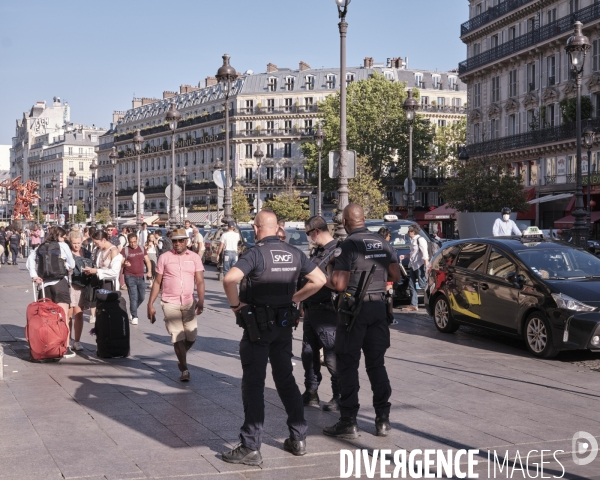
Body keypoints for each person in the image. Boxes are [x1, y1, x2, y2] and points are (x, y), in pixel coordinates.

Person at [221, 210, 326, 465]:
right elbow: (320, 279)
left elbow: (229, 278)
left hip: (257, 327)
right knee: (285, 380)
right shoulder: (293, 252)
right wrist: (296, 298)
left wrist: (236, 307)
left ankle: (250, 446)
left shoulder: (255, 253)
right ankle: (298, 438)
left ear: (258, 228)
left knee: (254, 384)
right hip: (283, 326)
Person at [324, 204, 400, 439]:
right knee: (376, 365)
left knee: (348, 365)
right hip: (378, 309)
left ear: (345, 222)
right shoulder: (382, 242)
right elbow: (395, 275)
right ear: (364, 219)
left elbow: (338, 284)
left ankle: (349, 421)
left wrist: (326, 274)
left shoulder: (349, 245)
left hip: (353, 312)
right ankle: (383, 420)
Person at [147, 228, 205, 382]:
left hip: (188, 302)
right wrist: (150, 304)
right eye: (174, 241)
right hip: (169, 302)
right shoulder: (164, 257)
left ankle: (181, 355)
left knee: (191, 336)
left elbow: (199, 281)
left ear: (186, 241)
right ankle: (184, 369)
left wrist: (201, 300)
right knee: (177, 335)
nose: (177, 243)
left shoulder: (194, 257)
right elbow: (157, 282)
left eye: (181, 240)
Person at [301, 215, 340, 411]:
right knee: (308, 353)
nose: (308, 237)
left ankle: (339, 395)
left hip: (327, 311)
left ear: (316, 231)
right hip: (311, 309)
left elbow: (334, 282)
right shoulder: (318, 252)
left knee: (332, 355)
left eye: (308, 233)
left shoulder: (337, 251)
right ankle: (311, 392)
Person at [26, 226, 77, 358]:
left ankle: (47, 345)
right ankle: (65, 347)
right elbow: (72, 264)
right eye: (63, 236)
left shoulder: (41, 246)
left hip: (44, 285)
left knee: (46, 317)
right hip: (60, 283)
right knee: (63, 317)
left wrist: (34, 276)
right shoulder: (62, 246)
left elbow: (29, 261)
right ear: (60, 236)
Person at [68, 230, 92, 351]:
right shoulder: (67, 253)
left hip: (81, 286)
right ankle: (68, 340)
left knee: (79, 314)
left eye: (78, 243)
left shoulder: (86, 253)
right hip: (70, 285)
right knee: (68, 315)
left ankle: (77, 341)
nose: (76, 245)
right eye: (74, 243)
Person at [122, 233, 153, 325]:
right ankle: (135, 316)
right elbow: (120, 261)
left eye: (135, 241)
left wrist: (149, 271)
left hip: (140, 276)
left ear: (137, 240)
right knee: (133, 296)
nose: (133, 244)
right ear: (128, 241)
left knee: (142, 296)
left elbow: (147, 261)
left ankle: (133, 310)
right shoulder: (125, 250)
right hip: (129, 276)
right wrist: (124, 264)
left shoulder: (142, 249)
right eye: (131, 242)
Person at [400, 225, 429, 312]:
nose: (408, 233)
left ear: (413, 232)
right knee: (411, 284)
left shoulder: (420, 239)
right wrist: (405, 256)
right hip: (413, 265)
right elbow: (413, 254)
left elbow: (425, 254)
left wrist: (426, 267)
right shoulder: (413, 240)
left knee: (423, 285)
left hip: (420, 266)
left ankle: (431, 301)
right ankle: (414, 305)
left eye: (409, 231)